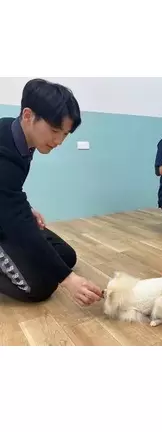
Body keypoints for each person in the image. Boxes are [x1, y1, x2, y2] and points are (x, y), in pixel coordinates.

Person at [0, 79, 103, 306]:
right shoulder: (4, 150)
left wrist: (26, 208)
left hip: (5, 219)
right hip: (5, 225)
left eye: (65, 134)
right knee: (41, 286)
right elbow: (16, 220)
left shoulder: (17, 134)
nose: (58, 141)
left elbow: (7, 190)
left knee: (66, 256)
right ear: (28, 115)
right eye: (55, 131)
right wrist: (68, 280)